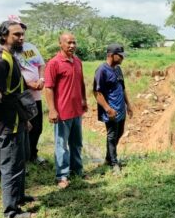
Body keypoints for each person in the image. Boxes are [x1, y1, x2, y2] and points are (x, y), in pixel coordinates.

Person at [0, 20, 35, 218]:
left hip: (18, 119)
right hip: (8, 122)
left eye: (22, 34)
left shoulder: (12, 56)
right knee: (10, 167)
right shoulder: (1, 60)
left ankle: (19, 197)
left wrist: (25, 120)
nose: (21, 38)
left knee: (20, 162)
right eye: (16, 35)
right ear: (4, 36)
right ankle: (11, 212)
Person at [44, 33, 88, 189]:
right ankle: (62, 175)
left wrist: (84, 100)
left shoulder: (77, 61)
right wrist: (52, 110)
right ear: (60, 44)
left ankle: (77, 170)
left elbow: (81, 83)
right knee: (61, 145)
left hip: (76, 110)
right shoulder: (54, 63)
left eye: (74, 42)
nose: (72, 46)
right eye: (68, 43)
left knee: (76, 143)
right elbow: (48, 88)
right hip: (62, 112)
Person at [9, 15, 47, 165]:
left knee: (36, 127)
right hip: (19, 97)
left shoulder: (30, 48)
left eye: (22, 29)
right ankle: (21, 158)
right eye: (16, 29)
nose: (21, 33)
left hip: (35, 96)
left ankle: (32, 154)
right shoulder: (7, 50)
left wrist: (41, 80)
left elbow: (41, 65)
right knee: (22, 128)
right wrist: (27, 83)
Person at [93, 43, 133, 174]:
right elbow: (97, 93)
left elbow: (123, 88)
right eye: (120, 56)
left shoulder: (117, 69)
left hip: (120, 109)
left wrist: (128, 105)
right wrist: (107, 108)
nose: (123, 58)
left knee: (119, 133)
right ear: (111, 55)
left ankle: (109, 158)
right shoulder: (101, 70)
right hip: (111, 111)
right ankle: (114, 163)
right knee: (112, 135)